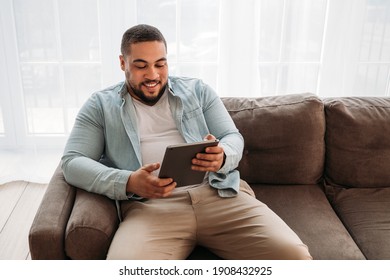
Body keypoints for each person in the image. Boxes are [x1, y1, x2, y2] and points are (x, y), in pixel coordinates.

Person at [61, 24, 312, 260]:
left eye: (160, 64)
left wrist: (222, 155)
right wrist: (128, 182)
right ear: (122, 63)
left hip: (219, 195)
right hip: (151, 209)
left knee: (295, 257)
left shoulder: (198, 91)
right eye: (141, 66)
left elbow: (232, 137)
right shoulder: (100, 106)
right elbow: (72, 162)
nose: (153, 75)